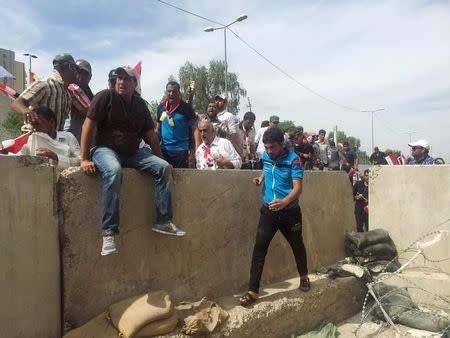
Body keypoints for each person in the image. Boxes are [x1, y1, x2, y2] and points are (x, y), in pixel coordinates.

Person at [80, 66, 186, 257]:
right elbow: (88, 125)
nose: (121, 82)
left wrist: (161, 159)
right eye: (119, 78)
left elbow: (150, 135)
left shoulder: (139, 105)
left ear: (134, 83)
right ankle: (109, 232)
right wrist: (85, 158)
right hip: (105, 149)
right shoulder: (105, 97)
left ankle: (163, 221)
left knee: (162, 168)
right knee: (113, 170)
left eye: (126, 79)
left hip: (131, 153)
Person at [239, 127, 309, 307]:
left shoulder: (294, 160)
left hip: (289, 212)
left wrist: (284, 202)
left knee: (297, 245)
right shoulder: (266, 157)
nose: (269, 151)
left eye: (272, 147)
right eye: (266, 147)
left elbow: (297, 188)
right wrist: (260, 178)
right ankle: (253, 291)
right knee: (259, 249)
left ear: (282, 145)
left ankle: (304, 277)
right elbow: (267, 168)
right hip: (268, 211)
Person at [11, 53, 83, 131]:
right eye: (77, 69)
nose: (77, 74)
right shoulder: (45, 84)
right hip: (38, 139)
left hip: (55, 140)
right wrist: (26, 111)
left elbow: (84, 111)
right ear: (71, 67)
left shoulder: (69, 93)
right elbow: (16, 104)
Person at [1, 106, 80, 169]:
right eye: (31, 124)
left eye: (37, 123)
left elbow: (80, 161)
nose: (33, 128)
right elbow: (17, 159)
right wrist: (5, 154)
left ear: (51, 122)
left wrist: (56, 157)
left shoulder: (68, 137)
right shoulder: (29, 140)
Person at [157, 81, 201, 168]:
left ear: (179, 92)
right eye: (169, 91)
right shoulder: (161, 107)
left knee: (181, 179)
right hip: (164, 150)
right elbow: (157, 128)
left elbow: (195, 130)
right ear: (166, 92)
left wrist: (197, 151)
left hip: (181, 151)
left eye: (174, 91)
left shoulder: (186, 108)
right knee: (166, 177)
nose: (171, 93)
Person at [64, 59, 95, 142]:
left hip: (84, 135)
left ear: (90, 76)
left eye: (85, 73)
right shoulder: (70, 88)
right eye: (78, 71)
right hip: (70, 135)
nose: (80, 75)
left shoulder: (91, 94)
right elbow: (88, 113)